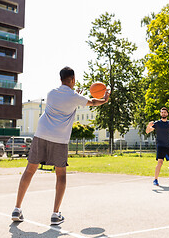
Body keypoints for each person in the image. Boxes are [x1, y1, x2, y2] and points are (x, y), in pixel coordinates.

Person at [11, 67, 110, 225]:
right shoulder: (74, 96)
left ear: (61, 79)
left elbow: (68, 99)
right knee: (61, 174)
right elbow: (93, 102)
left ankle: (17, 209)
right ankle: (55, 214)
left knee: (30, 170)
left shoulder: (52, 93)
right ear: (72, 79)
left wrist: (75, 94)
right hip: (59, 137)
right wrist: (104, 99)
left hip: (41, 133)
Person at [146, 107, 169, 186]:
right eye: (162, 112)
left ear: (167, 114)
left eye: (164, 112)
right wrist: (148, 126)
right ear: (160, 114)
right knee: (160, 162)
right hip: (160, 145)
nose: (163, 114)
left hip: (168, 145)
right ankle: (155, 180)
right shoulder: (157, 123)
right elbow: (147, 131)